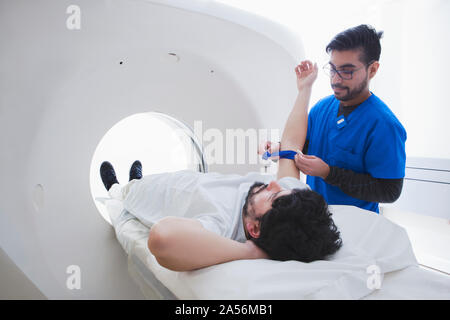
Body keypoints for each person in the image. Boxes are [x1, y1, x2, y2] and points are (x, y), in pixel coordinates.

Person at [100, 60, 342, 272]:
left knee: (126, 192)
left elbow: (162, 238)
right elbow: (290, 146)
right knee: (147, 178)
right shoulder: (290, 201)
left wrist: (251, 252)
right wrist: (305, 89)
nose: (273, 182)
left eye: (271, 195)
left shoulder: (222, 226)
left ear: (254, 229)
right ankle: (137, 177)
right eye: (281, 189)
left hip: (146, 197)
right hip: (178, 180)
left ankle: (117, 187)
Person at [264, 25, 407, 214]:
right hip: (316, 215)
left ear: (372, 70)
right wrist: (279, 150)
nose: (335, 80)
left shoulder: (384, 125)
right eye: (332, 69)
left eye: (347, 71)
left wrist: (328, 173)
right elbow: (304, 147)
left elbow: (389, 191)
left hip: (355, 222)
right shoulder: (322, 108)